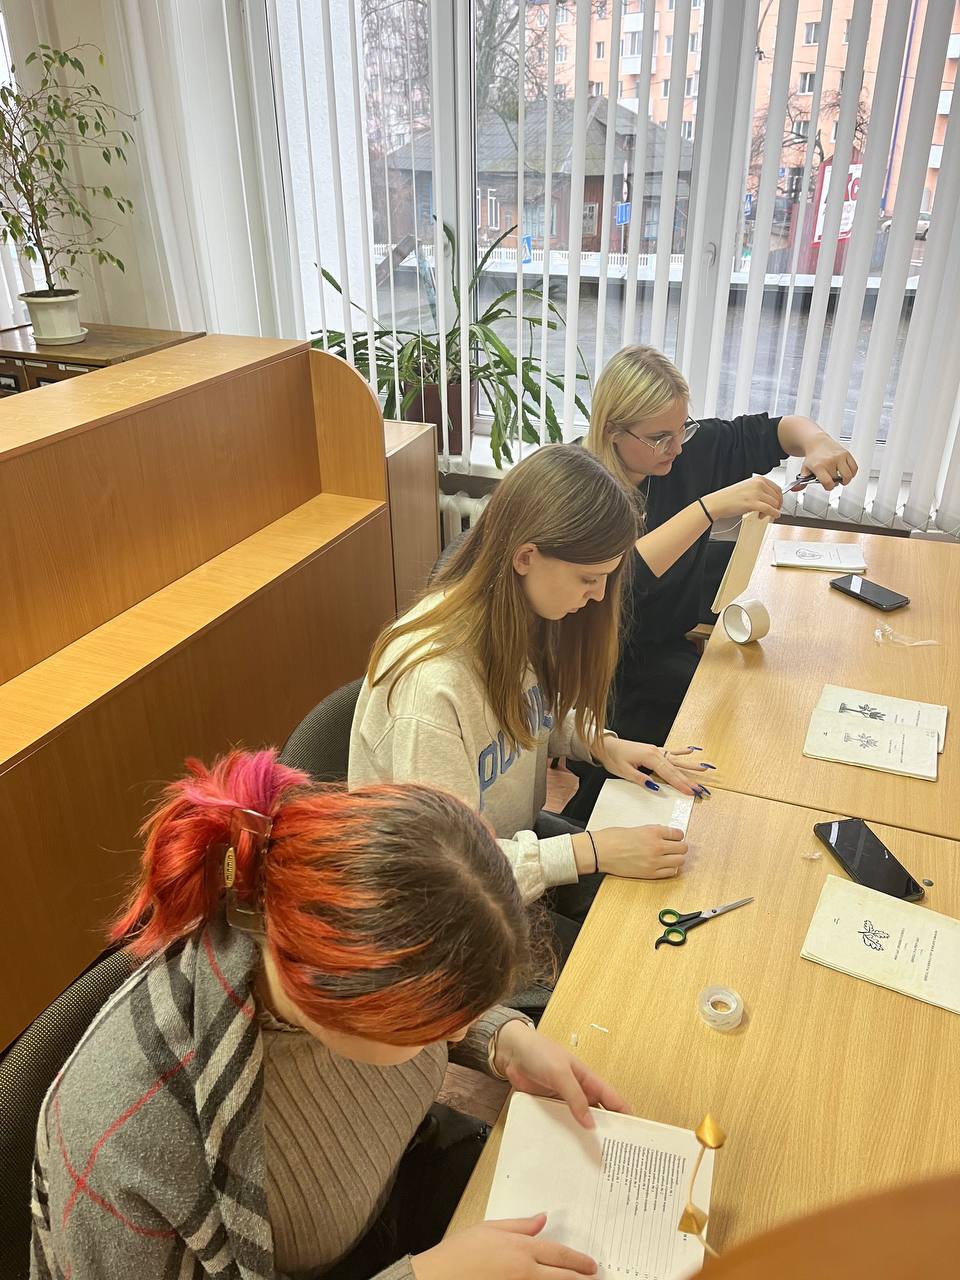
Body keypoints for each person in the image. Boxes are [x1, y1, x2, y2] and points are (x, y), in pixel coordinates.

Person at [31, 749, 628, 1280]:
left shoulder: (316, 961)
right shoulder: (128, 1136)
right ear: (340, 999)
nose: (455, 1032)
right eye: (432, 1024)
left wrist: (504, 1039)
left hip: (401, 1192)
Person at [349, 444, 714, 934]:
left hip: (509, 851)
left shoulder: (519, 617)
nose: (598, 596)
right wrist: (591, 850)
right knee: (623, 955)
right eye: (589, 578)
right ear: (526, 557)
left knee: (652, 901)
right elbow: (448, 873)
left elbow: (524, 713)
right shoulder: (432, 686)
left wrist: (599, 743)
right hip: (444, 913)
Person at [562, 345, 858, 822]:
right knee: (629, 785)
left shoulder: (687, 449)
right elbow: (616, 581)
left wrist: (817, 441)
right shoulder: (577, 482)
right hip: (596, 663)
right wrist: (708, 509)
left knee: (727, 731)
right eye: (660, 437)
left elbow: (774, 432)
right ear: (613, 431)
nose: (677, 448)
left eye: (683, 428)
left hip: (663, 647)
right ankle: (586, 832)